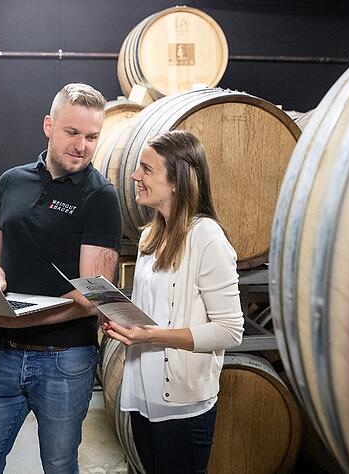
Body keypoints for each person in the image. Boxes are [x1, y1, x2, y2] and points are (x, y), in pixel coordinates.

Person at [0, 83, 122, 474]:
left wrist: (11, 317)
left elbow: (93, 297)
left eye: (92, 137)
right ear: (49, 126)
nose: (82, 145)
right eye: (72, 132)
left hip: (64, 361)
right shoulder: (12, 181)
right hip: (0, 355)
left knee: (59, 466)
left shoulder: (100, 197)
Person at [103, 130, 244, 474]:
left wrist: (151, 336)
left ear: (177, 181)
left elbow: (230, 331)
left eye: (146, 169)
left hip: (182, 406)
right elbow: (147, 310)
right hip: (141, 396)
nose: (135, 176)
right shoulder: (151, 234)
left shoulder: (207, 238)